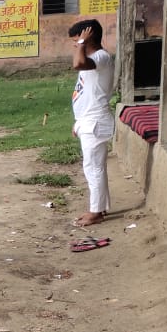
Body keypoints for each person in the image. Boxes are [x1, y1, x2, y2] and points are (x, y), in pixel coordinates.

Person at [69, 19, 114, 228]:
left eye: (77, 40)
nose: (75, 45)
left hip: (95, 122)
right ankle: (100, 207)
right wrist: (78, 122)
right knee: (96, 167)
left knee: (93, 167)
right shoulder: (93, 58)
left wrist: (81, 43)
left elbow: (77, 63)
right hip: (88, 121)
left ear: (88, 38)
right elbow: (85, 93)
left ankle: (96, 211)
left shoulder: (101, 57)